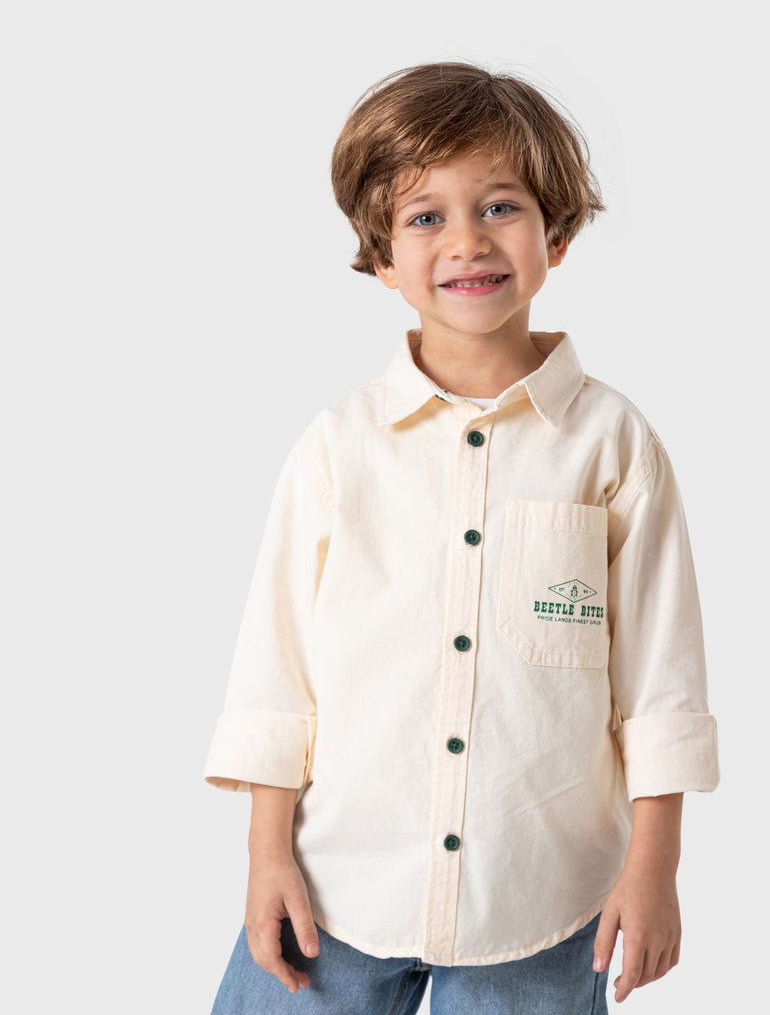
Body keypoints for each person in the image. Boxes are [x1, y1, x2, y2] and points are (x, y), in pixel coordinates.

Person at [203, 61, 720, 1014]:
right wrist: (266, 856)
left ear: (556, 234)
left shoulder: (613, 446)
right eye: (425, 216)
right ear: (381, 256)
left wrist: (656, 870)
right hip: (337, 888)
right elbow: (279, 674)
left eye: (500, 206)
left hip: (543, 899)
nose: (468, 241)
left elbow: (660, 682)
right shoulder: (339, 446)